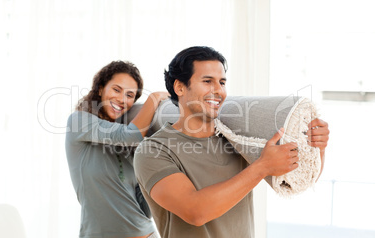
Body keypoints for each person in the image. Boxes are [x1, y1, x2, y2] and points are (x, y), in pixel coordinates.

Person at [134, 46, 329, 238]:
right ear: (180, 87)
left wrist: (317, 147)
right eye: (208, 81)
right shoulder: (153, 150)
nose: (218, 91)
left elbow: (296, 180)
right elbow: (195, 211)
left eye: (222, 82)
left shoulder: (236, 138)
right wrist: (262, 167)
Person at [65, 60, 169, 238]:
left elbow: (145, 208)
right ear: (100, 89)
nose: (122, 99)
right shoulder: (78, 121)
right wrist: (154, 98)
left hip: (146, 233)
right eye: (116, 89)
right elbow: (129, 135)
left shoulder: (130, 146)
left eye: (130, 95)